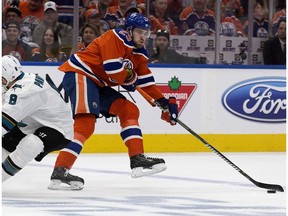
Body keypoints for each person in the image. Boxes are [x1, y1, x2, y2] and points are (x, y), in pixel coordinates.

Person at [48, 13, 179, 190]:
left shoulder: (139, 52)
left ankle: (137, 159)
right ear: (129, 30)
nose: (144, 37)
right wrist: (131, 78)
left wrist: (164, 103)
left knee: (129, 110)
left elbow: (146, 81)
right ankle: (60, 171)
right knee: (85, 125)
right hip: (82, 74)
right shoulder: (115, 37)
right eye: (140, 32)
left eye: (146, 33)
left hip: (97, 83)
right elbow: (114, 72)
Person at [2, 55, 75, 184]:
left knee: (31, 144)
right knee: (5, 144)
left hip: (58, 129)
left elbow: (3, 124)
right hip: (32, 124)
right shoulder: (18, 80)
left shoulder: (25, 91)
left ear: (7, 76)